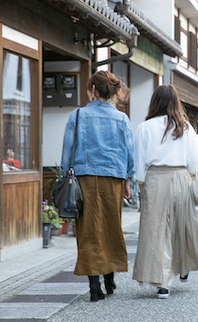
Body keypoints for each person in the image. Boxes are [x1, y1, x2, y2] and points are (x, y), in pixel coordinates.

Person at [60, 71, 134, 302]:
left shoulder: (78, 115)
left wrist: (64, 175)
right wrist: (128, 181)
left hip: (84, 178)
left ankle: (94, 286)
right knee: (112, 225)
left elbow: (67, 151)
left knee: (89, 229)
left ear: (92, 90)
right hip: (113, 178)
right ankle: (109, 278)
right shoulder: (121, 119)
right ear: (112, 91)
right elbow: (129, 153)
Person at [132, 84, 198, 299]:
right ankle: (182, 266)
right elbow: (195, 160)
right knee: (181, 224)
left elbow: (138, 160)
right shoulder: (185, 127)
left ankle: (163, 283)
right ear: (175, 102)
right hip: (181, 178)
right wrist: (189, 173)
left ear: (154, 102)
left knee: (156, 229)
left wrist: (140, 182)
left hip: (156, 178)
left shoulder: (145, 127)